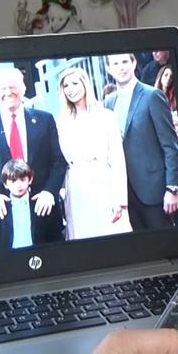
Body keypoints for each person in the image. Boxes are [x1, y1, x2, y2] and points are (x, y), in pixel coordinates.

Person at [0, 67, 68, 240]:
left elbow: (58, 162)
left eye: (13, 87)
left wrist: (50, 192)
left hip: (43, 212)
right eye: (2, 89)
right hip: (2, 218)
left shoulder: (45, 120)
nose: (8, 92)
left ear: (23, 88)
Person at [104, 53, 178, 231]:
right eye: (115, 63)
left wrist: (172, 189)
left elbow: (170, 146)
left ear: (134, 64)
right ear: (109, 69)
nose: (121, 67)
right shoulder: (108, 102)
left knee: (164, 246)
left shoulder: (152, 96)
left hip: (153, 190)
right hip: (124, 193)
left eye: (125, 61)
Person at [55, 66, 132, 239]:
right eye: (66, 86)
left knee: (111, 236)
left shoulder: (106, 116)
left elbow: (118, 160)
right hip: (76, 188)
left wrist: (119, 199)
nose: (70, 89)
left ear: (85, 84)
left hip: (104, 183)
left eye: (74, 83)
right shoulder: (61, 122)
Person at [0, 159, 65, 250]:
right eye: (13, 181)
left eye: (23, 180)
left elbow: (55, 238)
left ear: (30, 180)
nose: (19, 185)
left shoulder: (40, 203)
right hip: (9, 259)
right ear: (5, 184)